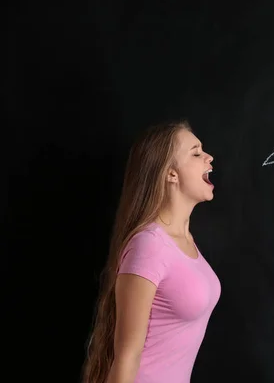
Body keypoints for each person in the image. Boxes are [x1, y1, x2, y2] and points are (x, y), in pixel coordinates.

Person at [82, 120, 221, 383]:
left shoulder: (185, 241)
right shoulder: (149, 246)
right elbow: (127, 357)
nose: (208, 157)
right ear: (171, 173)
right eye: (196, 152)